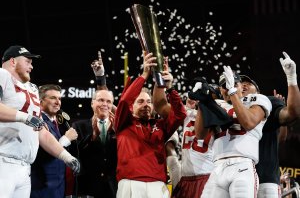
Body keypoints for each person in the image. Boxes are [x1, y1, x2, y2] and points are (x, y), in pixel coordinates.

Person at [0, 45, 80, 198]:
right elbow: (29, 120)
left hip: (24, 168)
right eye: (28, 61)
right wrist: (25, 117)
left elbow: (41, 131)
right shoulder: (2, 75)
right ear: (13, 61)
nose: (31, 66)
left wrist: (65, 156)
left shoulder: (32, 88)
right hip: (3, 161)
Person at [114, 52, 186, 198]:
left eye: (149, 102)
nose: (146, 105)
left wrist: (170, 88)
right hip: (130, 183)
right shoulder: (123, 123)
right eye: (140, 102)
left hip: (158, 185)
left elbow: (180, 115)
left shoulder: (161, 126)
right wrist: (145, 74)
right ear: (132, 107)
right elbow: (124, 101)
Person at [200, 66, 272, 198]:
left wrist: (233, 93)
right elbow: (200, 135)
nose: (227, 87)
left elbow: (249, 123)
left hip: (242, 165)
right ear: (220, 89)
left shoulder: (257, 100)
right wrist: (203, 103)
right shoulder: (217, 104)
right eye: (224, 85)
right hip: (217, 167)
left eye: (233, 83)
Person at [69, 54, 117, 198]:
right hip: (87, 187)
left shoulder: (118, 127)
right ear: (92, 103)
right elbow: (74, 154)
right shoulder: (78, 126)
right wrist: (93, 136)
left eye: (108, 101)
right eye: (101, 100)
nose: (105, 104)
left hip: (113, 188)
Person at [256, 52, 300, 198]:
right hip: (237, 177)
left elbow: (281, 137)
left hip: (265, 177)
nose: (243, 87)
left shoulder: (266, 109)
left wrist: (291, 78)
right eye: (240, 84)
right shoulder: (233, 110)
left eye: (248, 84)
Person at [30, 84, 78, 198]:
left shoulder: (60, 124)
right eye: (53, 98)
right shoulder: (36, 121)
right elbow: (42, 151)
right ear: (40, 101)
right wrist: (66, 139)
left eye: (59, 98)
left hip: (59, 188)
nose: (58, 102)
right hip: (41, 187)